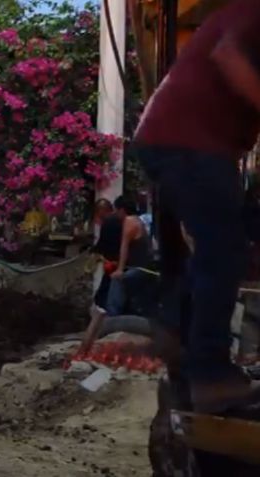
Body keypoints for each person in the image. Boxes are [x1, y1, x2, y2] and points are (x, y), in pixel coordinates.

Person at [131, 0, 260, 413]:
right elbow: (229, 55)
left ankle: (175, 336)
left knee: (202, 254)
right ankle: (211, 375)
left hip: (167, 139)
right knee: (223, 254)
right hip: (192, 143)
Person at [106, 196, 152, 316]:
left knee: (117, 280)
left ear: (122, 210)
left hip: (139, 268)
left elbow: (124, 246)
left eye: (116, 210)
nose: (115, 214)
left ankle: (112, 315)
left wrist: (120, 269)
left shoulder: (129, 221)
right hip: (140, 266)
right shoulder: (138, 220)